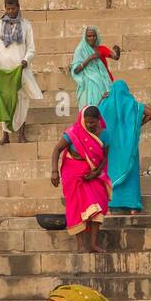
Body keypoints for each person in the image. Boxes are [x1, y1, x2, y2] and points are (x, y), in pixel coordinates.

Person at [51, 105, 111, 253]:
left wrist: (96, 172)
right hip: (73, 175)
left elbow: (105, 156)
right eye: (87, 122)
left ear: (98, 121)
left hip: (93, 175)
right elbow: (56, 150)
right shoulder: (73, 133)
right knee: (76, 207)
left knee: (98, 205)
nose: (90, 125)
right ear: (82, 120)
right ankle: (81, 244)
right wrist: (54, 171)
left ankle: (93, 244)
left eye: (93, 122)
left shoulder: (104, 134)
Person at [0, 0, 41, 144]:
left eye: (13, 8)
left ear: (18, 7)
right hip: (3, 71)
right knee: (4, 101)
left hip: (20, 70)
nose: (10, 11)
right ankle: (5, 135)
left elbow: (31, 48)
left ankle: (22, 134)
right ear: (5, 9)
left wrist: (25, 60)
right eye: (7, 9)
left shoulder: (26, 25)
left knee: (22, 101)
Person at [97, 79, 151, 214]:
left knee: (110, 173)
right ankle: (133, 207)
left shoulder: (105, 104)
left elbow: (94, 114)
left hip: (110, 149)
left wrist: (100, 100)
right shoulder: (132, 104)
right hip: (129, 148)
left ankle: (110, 207)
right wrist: (137, 125)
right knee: (131, 176)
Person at [69, 26, 119, 111]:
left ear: (97, 37)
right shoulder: (80, 50)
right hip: (88, 86)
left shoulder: (101, 49)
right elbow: (75, 70)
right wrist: (89, 58)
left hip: (104, 84)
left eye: (94, 36)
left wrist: (117, 50)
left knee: (105, 110)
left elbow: (115, 57)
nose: (92, 38)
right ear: (85, 37)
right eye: (89, 36)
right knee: (90, 112)